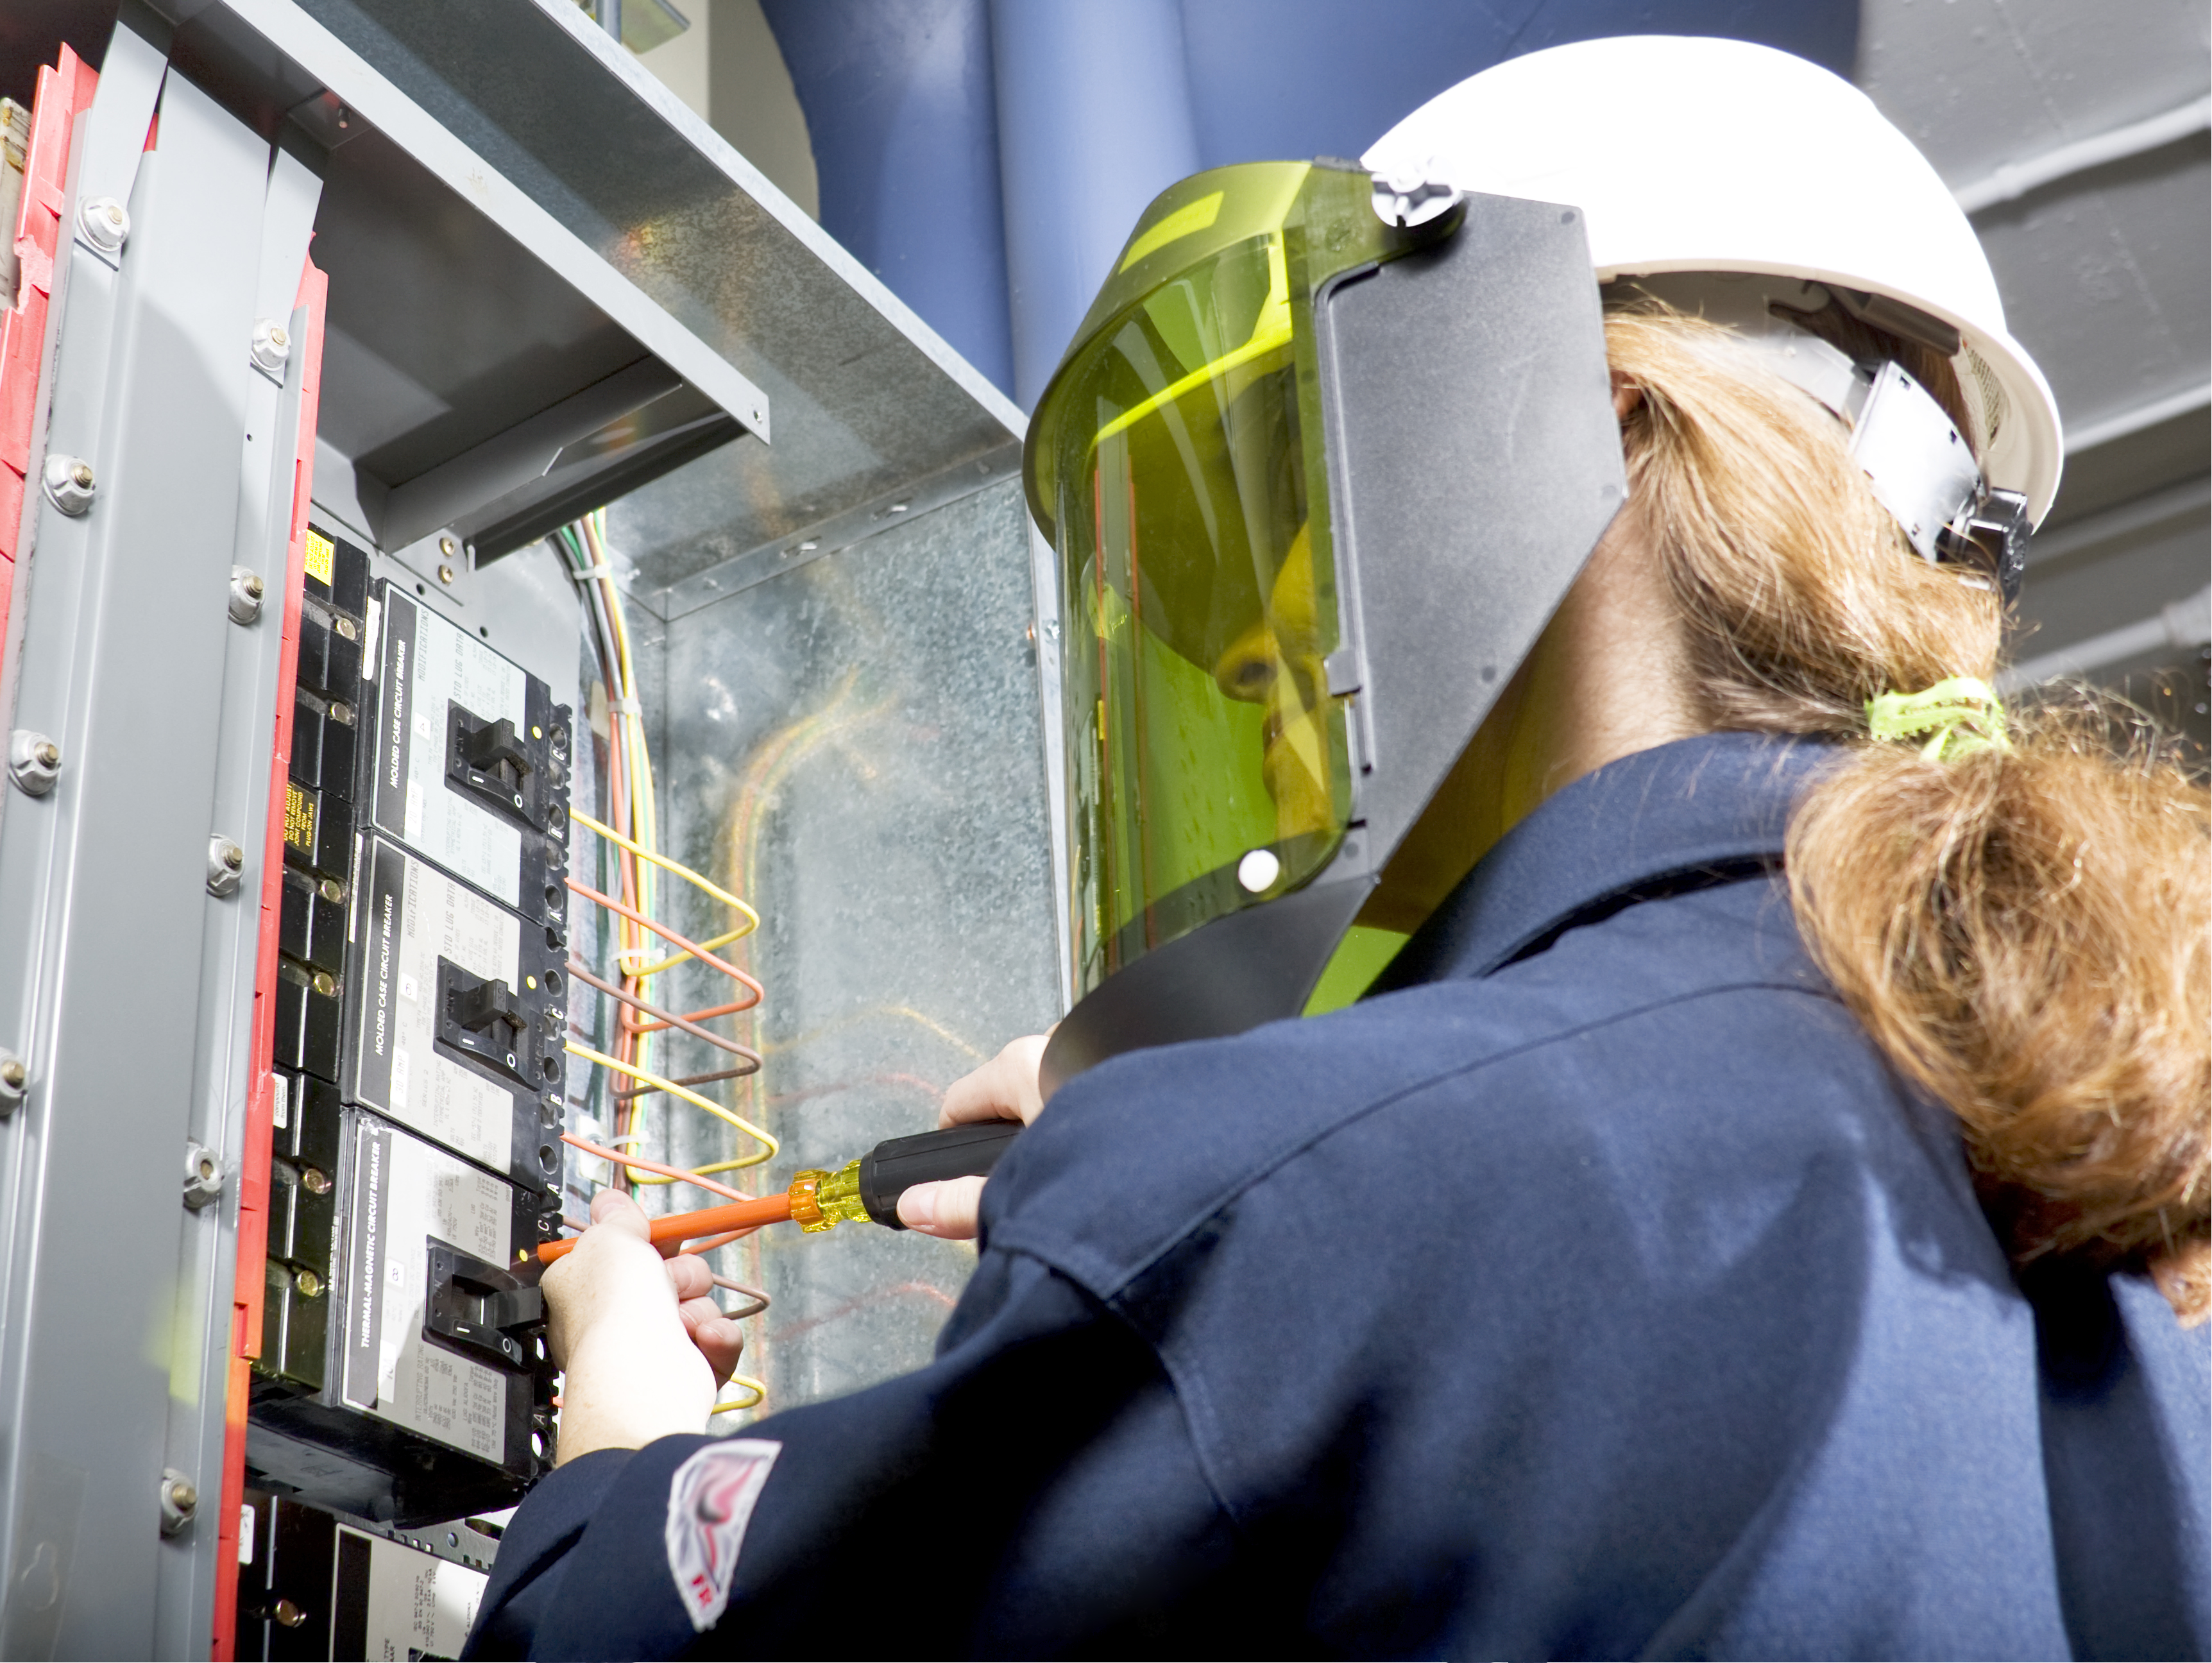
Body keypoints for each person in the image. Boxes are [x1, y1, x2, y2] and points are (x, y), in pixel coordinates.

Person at [470, 37, 2208, 1660]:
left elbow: (615, 1630)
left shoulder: (1316, 1189)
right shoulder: (2111, 1237)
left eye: (1306, 557)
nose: (1276, 670)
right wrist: (1209, 1219)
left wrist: (619, 1434)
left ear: (1552, 426)